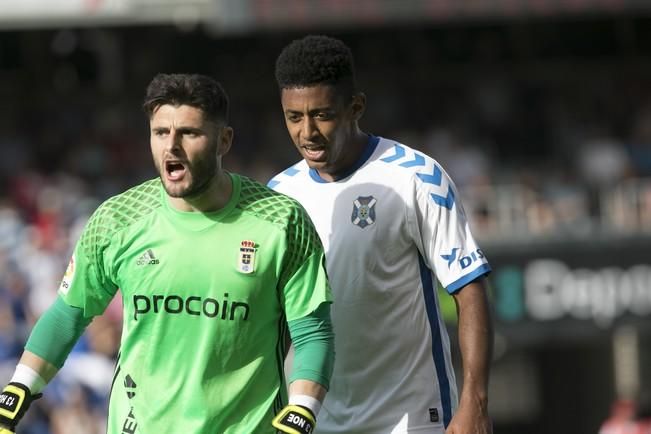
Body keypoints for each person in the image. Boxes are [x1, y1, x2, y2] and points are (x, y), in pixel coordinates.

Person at [0, 73, 334, 434]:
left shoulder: (282, 221)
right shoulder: (117, 219)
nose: (171, 146)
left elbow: (313, 333)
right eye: (160, 132)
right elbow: (68, 315)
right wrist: (18, 389)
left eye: (189, 133)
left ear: (224, 140)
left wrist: (302, 411)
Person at [268, 35, 493, 434]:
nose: (308, 132)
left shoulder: (416, 177)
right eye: (294, 117)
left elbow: (468, 288)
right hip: (318, 421)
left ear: (355, 107)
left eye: (322, 114)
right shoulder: (279, 197)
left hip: (413, 417)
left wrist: (474, 401)